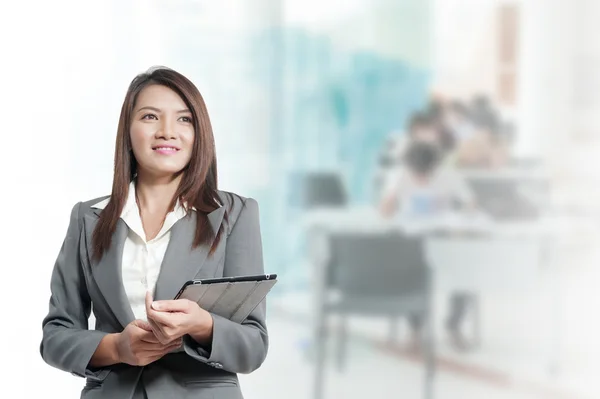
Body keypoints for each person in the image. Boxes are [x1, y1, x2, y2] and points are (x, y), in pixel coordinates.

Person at [40, 67, 268, 398]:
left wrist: (202, 325)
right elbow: (56, 336)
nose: (167, 131)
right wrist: (117, 347)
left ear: (199, 132)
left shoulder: (235, 215)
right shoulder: (88, 219)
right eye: (150, 117)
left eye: (184, 119)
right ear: (128, 131)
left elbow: (254, 345)